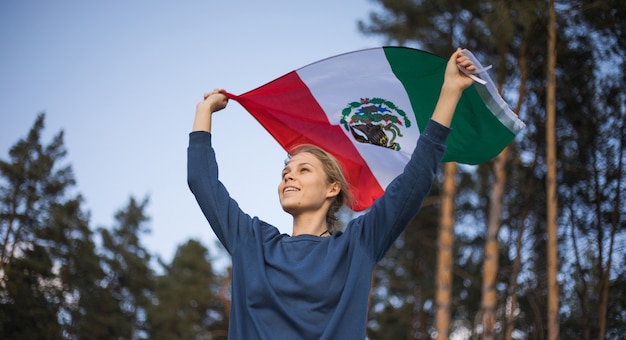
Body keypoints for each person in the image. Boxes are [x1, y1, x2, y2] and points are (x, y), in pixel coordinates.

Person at [187, 48, 476, 339]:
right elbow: (202, 182)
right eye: (287, 170)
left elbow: (413, 181)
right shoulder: (252, 242)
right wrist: (203, 113)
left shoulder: (356, 245)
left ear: (332, 189)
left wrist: (450, 91)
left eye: (304, 170)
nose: (289, 174)